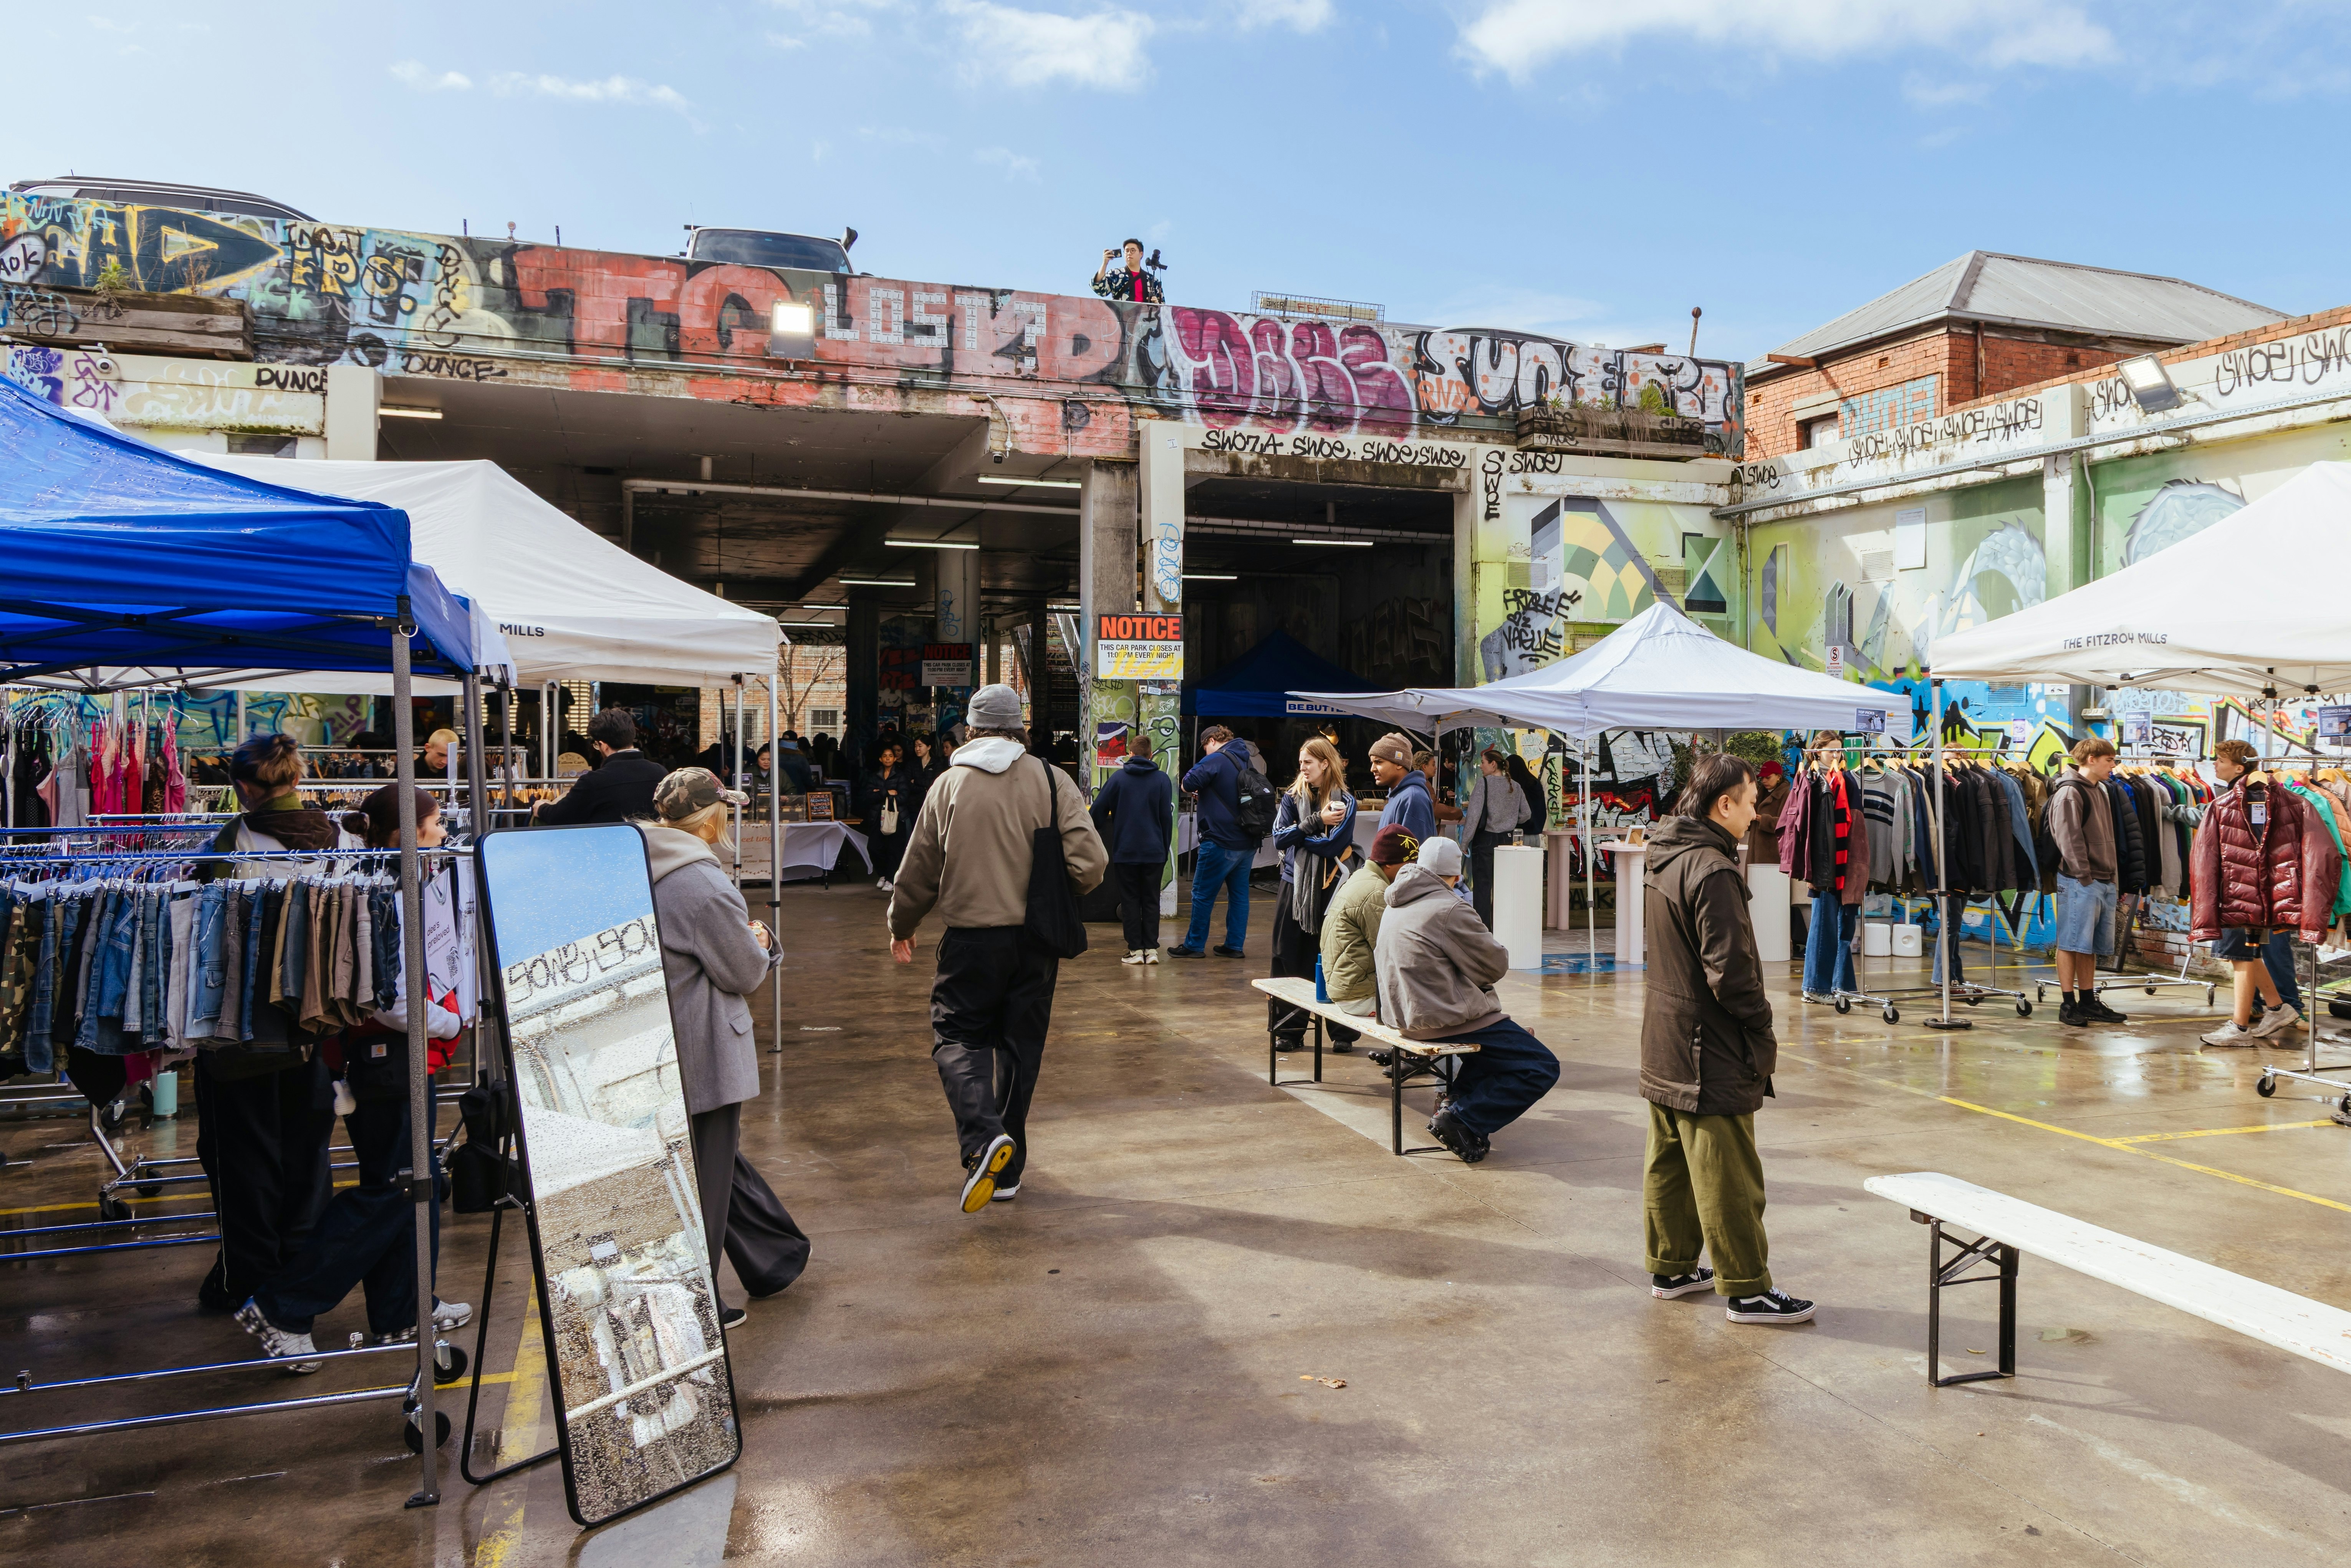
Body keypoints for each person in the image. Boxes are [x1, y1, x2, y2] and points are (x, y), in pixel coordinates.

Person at [234, 785, 470, 1369]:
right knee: (399, 1187)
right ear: (406, 832)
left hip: (391, 1057)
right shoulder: (386, 889)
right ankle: (283, 1305)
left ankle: (403, 1306)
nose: (443, 833)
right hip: (388, 1058)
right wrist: (448, 1020)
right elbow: (383, 993)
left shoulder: (398, 881)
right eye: (437, 823)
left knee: (411, 1181)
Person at [888, 684, 1107, 1211]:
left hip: (970, 939)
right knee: (1019, 1049)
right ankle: (1007, 1173)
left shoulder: (949, 784)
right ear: (1019, 727)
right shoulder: (1053, 781)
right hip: (1036, 941)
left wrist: (902, 922)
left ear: (969, 728)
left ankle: (984, 1139)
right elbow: (1091, 865)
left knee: (956, 1035)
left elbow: (918, 869)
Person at [1640, 754, 1814, 1325]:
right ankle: (1747, 1288)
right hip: (1705, 1047)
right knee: (1728, 1173)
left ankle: (1671, 1267)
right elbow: (1731, 973)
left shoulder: (1666, 854)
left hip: (1666, 1034)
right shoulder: (1712, 869)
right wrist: (1761, 1025)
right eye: (1749, 800)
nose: (1755, 810)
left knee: (1669, 1160)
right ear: (1723, 804)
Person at [192, 735, 359, 1316]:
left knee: (241, 1156)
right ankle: (299, 1270)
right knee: (307, 1151)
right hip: (319, 1028)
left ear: (243, 785)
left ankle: (250, 1279)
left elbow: (204, 933)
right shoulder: (343, 838)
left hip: (244, 1029)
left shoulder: (232, 840)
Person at [643, 768, 809, 1322]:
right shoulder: (701, 881)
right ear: (710, 815)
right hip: (704, 1046)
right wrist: (760, 939)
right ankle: (697, 1303)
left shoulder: (642, 861)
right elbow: (742, 972)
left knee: (714, 1166)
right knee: (708, 1178)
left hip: (662, 1039)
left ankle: (771, 1256)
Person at [1373, 835, 1558, 1162]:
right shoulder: (1450, 907)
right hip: (1444, 1018)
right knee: (1541, 1065)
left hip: (1403, 1016)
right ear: (1458, 876)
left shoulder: (1395, 902)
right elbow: (1495, 965)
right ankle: (1463, 1117)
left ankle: (1453, 1104)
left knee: (1499, 1050)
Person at [2182, 739, 2307, 1047]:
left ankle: (2239, 1027)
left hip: (2240, 890)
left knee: (2240, 955)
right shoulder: (2255, 797)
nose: (2215, 764)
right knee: (2248, 954)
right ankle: (2278, 1007)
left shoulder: (2243, 801)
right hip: (2252, 891)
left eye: (2220, 760)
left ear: (2239, 767)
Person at [1268, 737, 1359, 1051]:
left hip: (1332, 888)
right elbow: (1279, 839)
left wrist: (1300, 835)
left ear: (1325, 763)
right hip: (1294, 887)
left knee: (1334, 956)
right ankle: (1289, 1031)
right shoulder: (1292, 798)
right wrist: (1316, 822)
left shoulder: (1345, 800)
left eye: (1308, 762)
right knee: (1289, 956)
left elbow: (1334, 846)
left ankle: (1342, 1033)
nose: (1302, 767)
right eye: (1301, 762)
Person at [2049, 736, 2128, 1028]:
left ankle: (2088, 1000)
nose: (2114, 765)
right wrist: (2084, 874)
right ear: (2091, 759)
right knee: (2071, 942)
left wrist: (2111, 878)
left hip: (2103, 879)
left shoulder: (2102, 790)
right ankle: (2068, 1004)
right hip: (2080, 879)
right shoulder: (2070, 792)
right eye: (2109, 759)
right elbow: (2068, 839)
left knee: (2090, 945)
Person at [1320, 824, 1415, 1033]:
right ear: (1389, 864)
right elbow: (1394, 954)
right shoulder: (1377, 893)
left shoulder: (1362, 877)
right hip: (1359, 995)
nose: (1411, 872)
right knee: (1441, 1007)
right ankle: (1419, 1063)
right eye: (1408, 865)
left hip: (1346, 985)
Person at [1170, 725, 1256, 958]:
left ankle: (1194, 945)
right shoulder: (1246, 760)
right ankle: (1234, 946)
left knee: (1202, 894)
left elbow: (1187, 783)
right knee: (1239, 896)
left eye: (1205, 747)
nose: (1205, 751)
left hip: (1220, 840)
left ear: (1210, 741)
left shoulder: (1216, 759)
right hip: (1247, 841)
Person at [1089, 733, 1174, 964]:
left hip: (1126, 851)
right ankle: (1152, 950)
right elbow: (1166, 819)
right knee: (1150, 900)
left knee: (1129, 900)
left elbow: (1096, 813)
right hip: (1155, 851)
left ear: (1130, 753)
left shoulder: (1118, 779)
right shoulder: (1162, 780)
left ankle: (1136, 950)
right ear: (1151, 755)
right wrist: (1163, 849)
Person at [533, 709, 665, 826]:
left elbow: (560, 816)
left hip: (608, 850)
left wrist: (541, 808)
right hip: (652, 850)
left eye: (597, 745)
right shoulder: (661, 773)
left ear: (604, 745)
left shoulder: (594, 781)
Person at [1460, 747, 1531, 929]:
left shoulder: (1483, 784)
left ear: (1493, 765)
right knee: (1505, 887)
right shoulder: (1515, 786)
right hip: (1509, 840)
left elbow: (1474, 816)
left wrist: (1465, 842)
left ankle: (1484, 930)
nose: (1480, 766)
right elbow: (1527, 814)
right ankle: (1505, 927)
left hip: (1486, 840)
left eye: (1483, 762)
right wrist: (1511, 820)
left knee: (1483, 887)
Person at [862, 740, 920, 892]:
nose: (888, 759)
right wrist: (888, 793)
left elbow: (904, 797)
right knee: (873, 847)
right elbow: (868, 796)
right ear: (881, 759)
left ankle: (891, 879)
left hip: (896, 818)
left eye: (891, 756)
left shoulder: (901, 777)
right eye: (885, 756)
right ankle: (883, 875)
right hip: (877, 817)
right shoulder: (875, 777)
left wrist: (880, 795)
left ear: (895, 759)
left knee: (894, 849)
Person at [1369, 733, 1436, 842]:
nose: (1373, 769)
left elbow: (1414, 855)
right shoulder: (1400, 795)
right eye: (1372, 763)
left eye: (1379, 762)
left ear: (1399, 763)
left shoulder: (1413, 798)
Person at [1091, 238, 1163, 305]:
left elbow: (1164, 309)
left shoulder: (1153, 280)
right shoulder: (1116, 274)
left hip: (1144, 318)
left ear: (1141, 254)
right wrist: (1105, 264)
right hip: (1120, 317)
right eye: (1127, 251)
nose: (1129, 253)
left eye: (1133, 251)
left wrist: (1157, 305)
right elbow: (1100, 289)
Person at [1414, 749, 1466, 825]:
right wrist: (1458, 813)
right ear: (1424, 767)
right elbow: (1435, 809)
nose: (1436, 768)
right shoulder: (1424, 783)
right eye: (1433, 764)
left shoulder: (1415, 781)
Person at [1506, 753, 1546, 834]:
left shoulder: (1518, 787)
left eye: (1507, 769)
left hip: (1520, 834)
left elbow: (1524, 814)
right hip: (1536, 835)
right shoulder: (1535, 784)